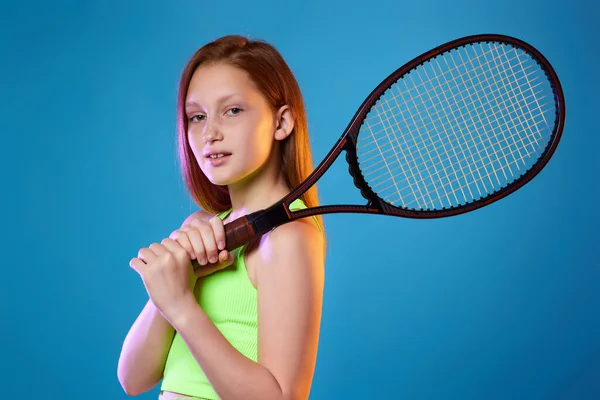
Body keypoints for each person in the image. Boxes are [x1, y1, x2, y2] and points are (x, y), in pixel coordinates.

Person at [117, 35, 326, 400]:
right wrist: (169, 291)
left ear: (282, 123)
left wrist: (183, 306)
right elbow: (133, 379)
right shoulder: (202, 229)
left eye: (233, 110)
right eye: (197, 116)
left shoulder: (288, 237)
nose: (209, 134)